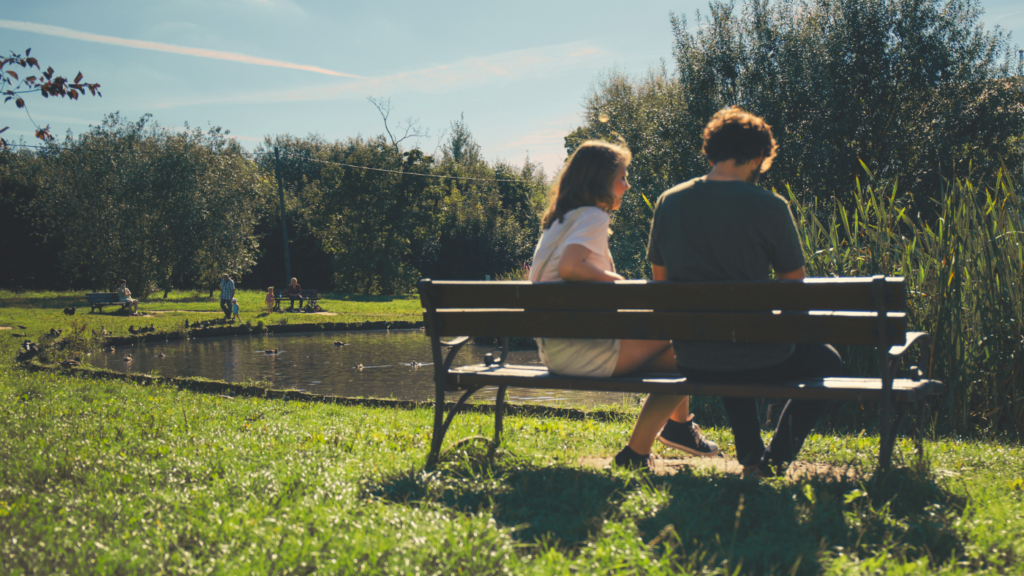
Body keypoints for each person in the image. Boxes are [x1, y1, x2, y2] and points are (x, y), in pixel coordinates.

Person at [643, 106, 842, 477]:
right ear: (756, 157)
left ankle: (752, 456)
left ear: (712, 150)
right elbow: (793, 287)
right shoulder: (769, 206)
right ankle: (775, 459)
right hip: (754, 351)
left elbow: (661, 283)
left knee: (731, 343)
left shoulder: (670, 201)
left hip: (692, 353)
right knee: (826, 359)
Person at [530, 140, 718, 460]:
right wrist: (617, 281)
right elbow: (571, 266)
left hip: (558, 350)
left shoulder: (560, 221)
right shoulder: (592, 216)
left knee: (682, 356)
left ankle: (674, 430)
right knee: (695, 345)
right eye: (622, 176)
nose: (627, 186)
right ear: (601, 180)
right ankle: (654, 441)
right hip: (584, 352)